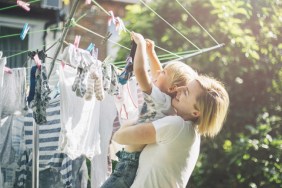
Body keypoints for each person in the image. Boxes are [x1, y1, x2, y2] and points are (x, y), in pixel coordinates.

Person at [112, 38, 230, 187]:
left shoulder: (175, 125)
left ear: (196, 112)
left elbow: (120, 136)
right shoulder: (189, 132)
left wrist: (134, 120)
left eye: (186, 91)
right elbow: (160, 78)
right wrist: (151, 53)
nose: (179, 90)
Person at [101, 32, 198, 188]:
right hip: (134, 160)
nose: (158, 72)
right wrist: (152, 53)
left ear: (172, 87)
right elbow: (157, 73)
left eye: (164, 72)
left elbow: (140, 71)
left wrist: (140, 45)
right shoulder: (171, 105)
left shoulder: (159, 98)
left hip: (128, 163)